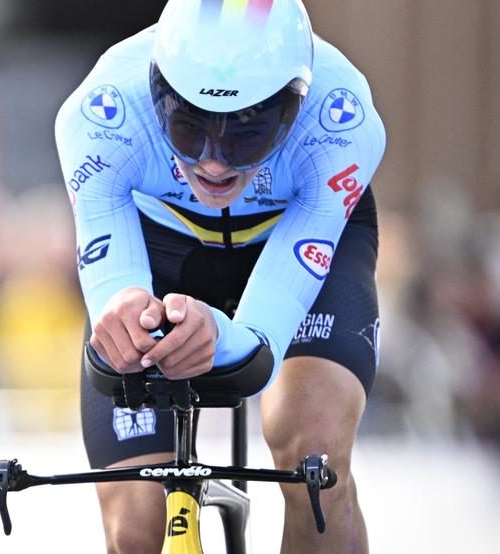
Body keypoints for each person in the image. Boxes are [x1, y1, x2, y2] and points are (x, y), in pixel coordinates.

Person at [55, 0, 385, 551]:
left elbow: (258, 343)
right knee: (137, 528)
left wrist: (225, 335)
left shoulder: (340, 120)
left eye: (246, 135)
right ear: (157, 94)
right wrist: (125, 318)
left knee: (315, 459)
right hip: (161, 244)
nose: (213, 163)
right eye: (187, 128)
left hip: (290, 238)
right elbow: (118, 298)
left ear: (293, 107)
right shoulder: (100, 113)